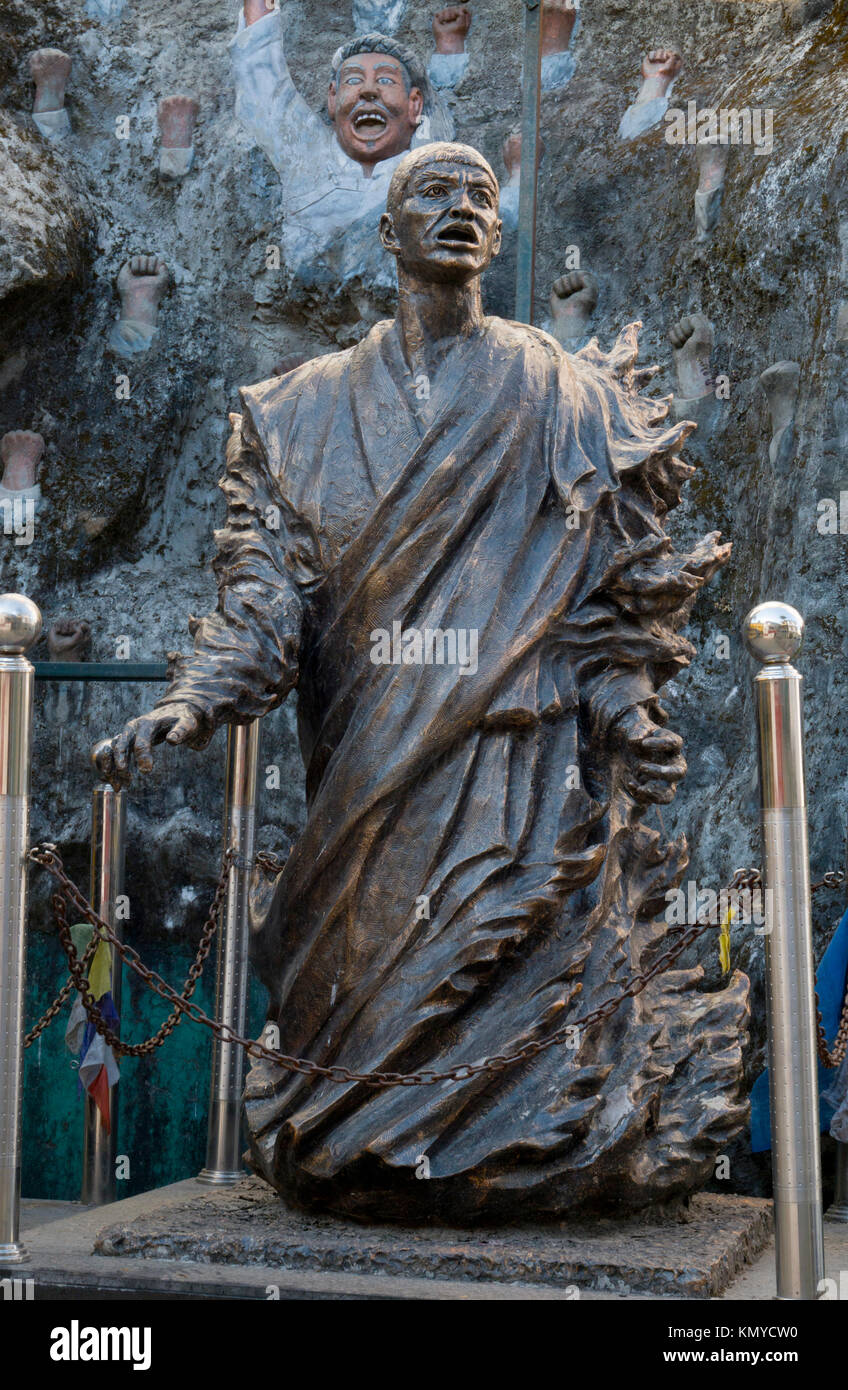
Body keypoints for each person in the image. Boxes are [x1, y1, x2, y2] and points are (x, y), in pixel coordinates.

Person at [93, 143, 748, 1221]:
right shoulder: (290, 413)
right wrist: (189, 701)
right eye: (430, 194)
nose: (458, 209)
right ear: (386, 234)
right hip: (368, 779)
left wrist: (627, 713)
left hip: (515, 765)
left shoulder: (565, 395)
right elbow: (260, 602)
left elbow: (607, 594)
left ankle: (541, 1133)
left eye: (479, 197)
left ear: (498, 237)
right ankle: (364, 1139)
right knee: (354, 1046)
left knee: (519, 996)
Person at [232, 0, 452, 284]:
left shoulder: (428, 176)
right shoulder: (307, 156)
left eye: (385, 81)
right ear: (333, 98)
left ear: (414, 105)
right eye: (353, 80)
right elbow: (263, 86)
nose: (369, 91)